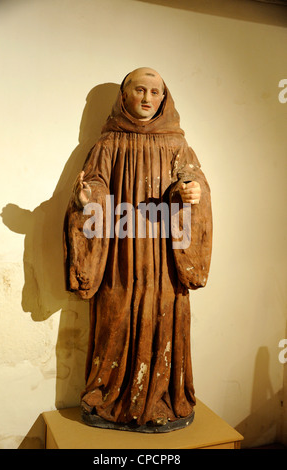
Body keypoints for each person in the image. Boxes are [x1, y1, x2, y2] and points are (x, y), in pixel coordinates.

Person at [64, 67, 212, 432]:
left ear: (165, 98)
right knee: (115, 319)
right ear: (124, 95)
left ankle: (162, 399)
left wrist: (192, 193)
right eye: (139, 90)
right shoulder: (108, 143)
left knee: (163, 319)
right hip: (119, 252)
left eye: (155, 92)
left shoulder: (177, 144)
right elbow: (95, 184)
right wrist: (87, 201)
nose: (147, 98)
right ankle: (106, 398)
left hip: (163, 257)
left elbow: (192, 182)